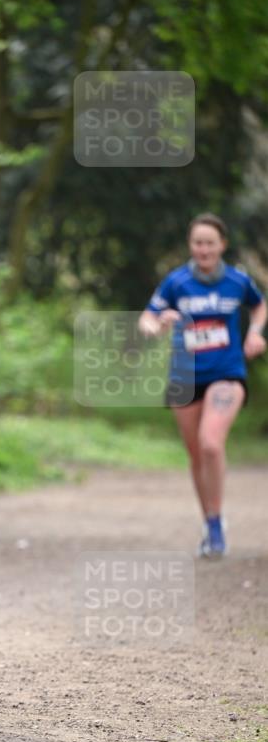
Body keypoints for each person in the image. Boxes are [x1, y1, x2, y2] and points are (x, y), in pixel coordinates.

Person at [138, 213, 266, 558]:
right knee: (196, 454)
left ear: (222, 245)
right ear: (190, 245)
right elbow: (147, 318)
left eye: (210, 243)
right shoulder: (176, 282)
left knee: (211, 443)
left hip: (226, 372)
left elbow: (260, 306)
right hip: (185, 377)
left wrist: (255, 333)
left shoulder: (238, 281)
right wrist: (159, 325)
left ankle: (216, 526)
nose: (204, 249)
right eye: (198, 243)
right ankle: (212, 523)